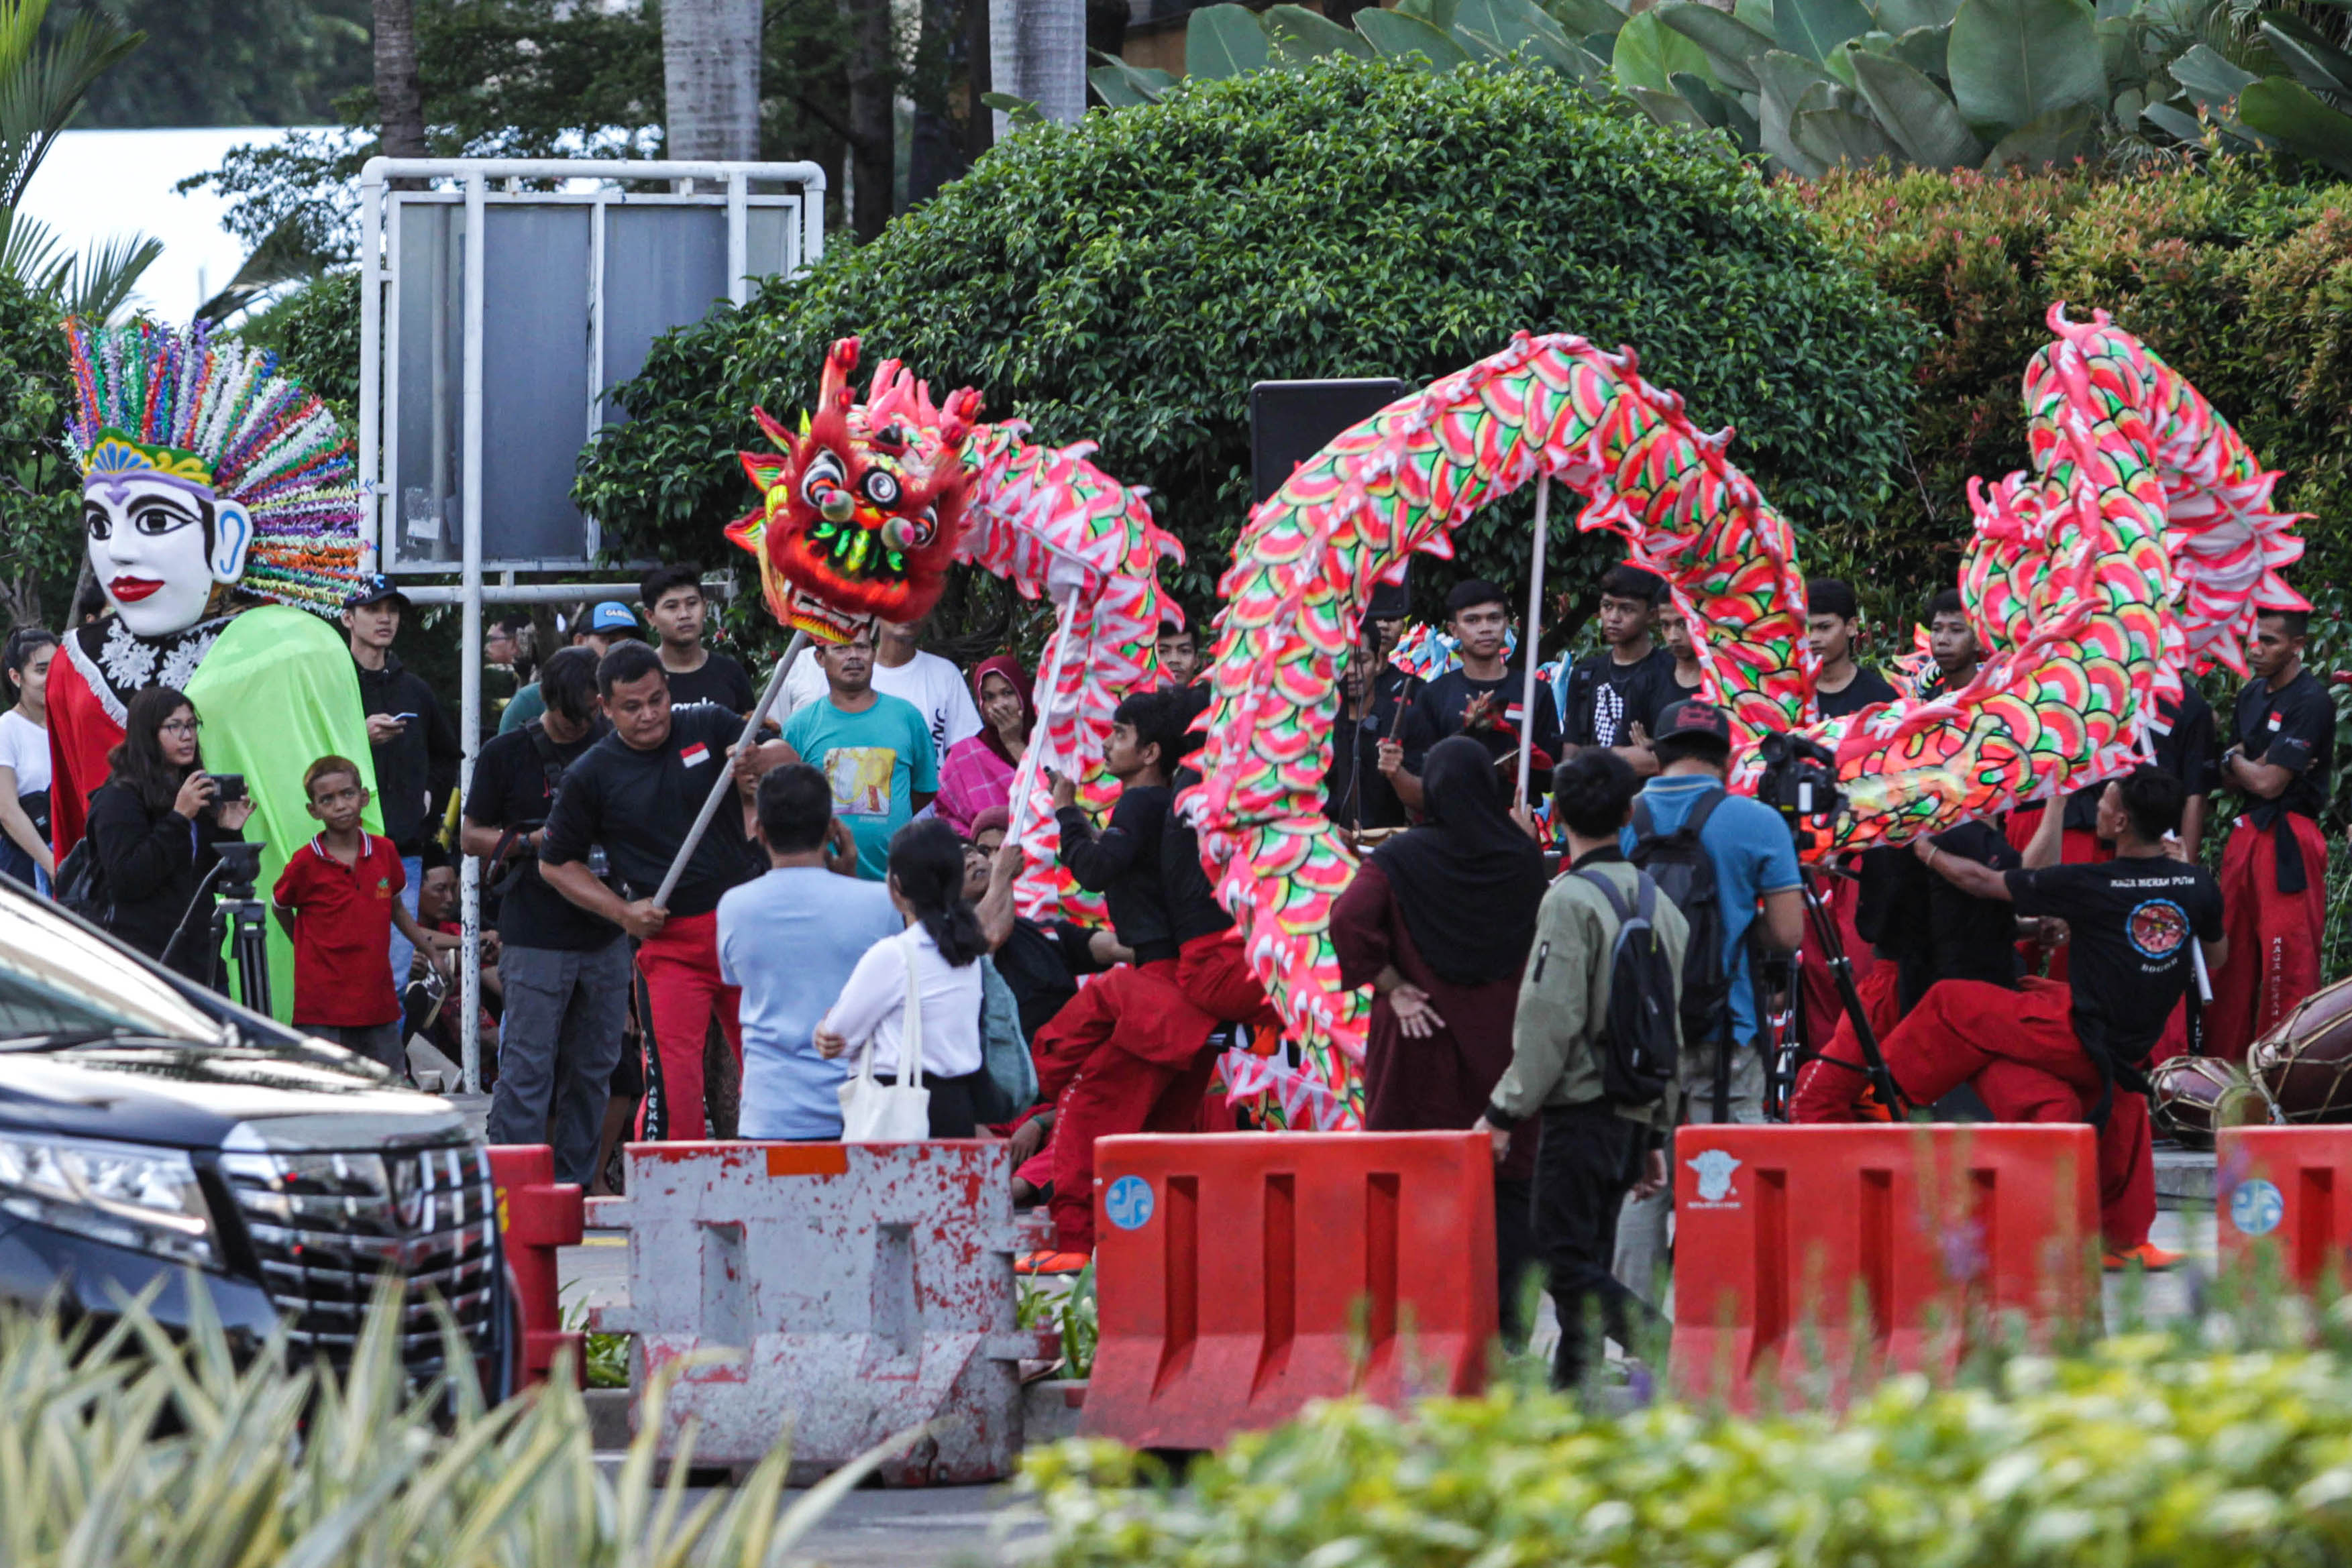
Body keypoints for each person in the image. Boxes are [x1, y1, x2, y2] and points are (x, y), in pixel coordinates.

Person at [1800, 769, 2218, 1269]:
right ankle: (2120, 1240)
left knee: (1953, 1005)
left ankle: (1882, 1104)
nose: (2096, 808)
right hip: (2116, 1041)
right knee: (2098, 1099)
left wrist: (1926, 850)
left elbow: (1988, 883)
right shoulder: (2195, 884)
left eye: (2104, 802)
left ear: (2123, 820)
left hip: (2063, 1026)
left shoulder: (2089, 881)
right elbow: (2214, 956)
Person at [1475, 749, 1687, 1388]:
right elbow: (1669, 1029)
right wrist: (1655, 1133)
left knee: (1558, 1256)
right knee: (1588, 1250)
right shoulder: (1660, 903)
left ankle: (1665, 1344)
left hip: (1580, 1111)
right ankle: (1575, 1387)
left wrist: (1505, 1110)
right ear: (1627, 814)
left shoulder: (1569, 899)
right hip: (1632, 1111)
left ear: (1558, 815)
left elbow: (1549, 1015)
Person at [1334, 734, 1550, 1337]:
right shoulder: (1521, 857)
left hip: (1419, 1047)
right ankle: (1508, 1335)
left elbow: (1347, 919)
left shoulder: (1400, 859)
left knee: (1415, 1179)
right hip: (1503, 1048)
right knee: (1508, 1191)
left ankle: (1420, 1322)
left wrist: (1392, 984)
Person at [538, 640, 789, 1139]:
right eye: (632, 707)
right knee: (674, 1087)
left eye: (657, 700)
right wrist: (622, 912)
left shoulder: (708, 723)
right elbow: (554, 863)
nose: (650, 715)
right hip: (669, 943)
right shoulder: (590, 775)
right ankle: (675, 1182)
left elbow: (789, 758)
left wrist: (759, 760)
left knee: (773, 1070)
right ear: (605, 708)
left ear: (668, 689)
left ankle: (779, 1172)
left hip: (744, 931)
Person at [1019, 691, 1221, 1272]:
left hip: (1157, 988)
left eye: (1120, 734)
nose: (1107, 743)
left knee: (1087, 1109)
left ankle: (1075, 1247)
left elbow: (1093, 869)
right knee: (1156, 1132)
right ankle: (1148, 1248)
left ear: (1151, 752)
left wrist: (1066, 812)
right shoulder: (1179, 803)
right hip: (1185, 986)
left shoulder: (1141, 802)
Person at [1611, 699, 1803, 1302]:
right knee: (1725, 1175)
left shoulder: (1621, 815)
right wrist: (1740, 929)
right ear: (1726, 758)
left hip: (1640, 1032)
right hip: (1728, 1031)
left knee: (1642, 1181)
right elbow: (1789, 933)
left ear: (1658, 752)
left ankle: (1633, 1329)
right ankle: (1725, 1319)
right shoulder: (1757, 821)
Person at [464, 647, 635, 1182]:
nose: (579, 726)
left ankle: (575, 1188)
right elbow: (469, 836)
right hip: (535, 934)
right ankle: (514, 1188)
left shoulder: (614, 744)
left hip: (605, 932)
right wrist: (530, 842)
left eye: (589, 715)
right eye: (569, 718)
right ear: (546, 700)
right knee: (527, 1068)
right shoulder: (506, 753)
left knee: (593, 1069)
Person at [725, 764, 900, 1139]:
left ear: (759, 830)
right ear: (832, 830)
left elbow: (736, 978)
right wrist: (849, 879)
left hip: (769, 1113)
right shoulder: (881, 903)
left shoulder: (733, 907)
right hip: (860, 1111)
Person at [271, 754, 454, 1071]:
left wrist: (431, 952)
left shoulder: (384, 851)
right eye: (327, 799)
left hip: (376, 1003)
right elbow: (281, 908)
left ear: (364, 797)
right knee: (326, 1089)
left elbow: (397, 910)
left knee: (387, 1085)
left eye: (348, 794)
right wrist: (305, 946)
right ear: (314, 810)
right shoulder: (305, 863)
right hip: (322, 1008)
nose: (340, 805)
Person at [814, 820, 994, 1137]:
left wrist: (823, 1027)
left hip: (897, 1109)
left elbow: (837, 1038)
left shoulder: (895, 955)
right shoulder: (969, 955)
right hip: (957, 1109)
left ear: (896, 887)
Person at [2210, 607, 2335, 1061]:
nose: (2256, 650)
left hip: (2289, 837)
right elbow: (2233, 776)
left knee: (2288, 962)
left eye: (2269, 641)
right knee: (2228, 959)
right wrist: (2242, 762)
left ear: (2298, 646)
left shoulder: (2311, 700)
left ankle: (2286, 1075)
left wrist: (2241, 761)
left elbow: (2267, 783)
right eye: (2254, 639)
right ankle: (2221, 1074)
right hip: (2247, 831)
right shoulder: (2250, 695)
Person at [83, 685, 255, 983]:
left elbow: (221, 882)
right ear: (147, 734)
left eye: (191, 725)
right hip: (143, 963)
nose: (187, 736)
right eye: (174, 726)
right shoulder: (118, 798)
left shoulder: (192, 792)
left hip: (201, 959)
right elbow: (128, 879)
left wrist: (229, 831)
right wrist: (178, 818)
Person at [343, 577, 461, 988]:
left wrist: (428, 800)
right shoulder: (332, 687)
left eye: (392, 611)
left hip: (402, 851)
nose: (385, 619)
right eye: (373, 609)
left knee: (393, 975)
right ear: (347, 618)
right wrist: (358, 738)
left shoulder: (415, 690)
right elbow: (307, 754)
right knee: (346, 968)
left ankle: (391, 1035)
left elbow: (448, 755)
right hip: (342, 851)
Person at [1381, 579, 1564, 812]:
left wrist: (1511, 755)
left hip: (1516, 822)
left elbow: (1550, 774)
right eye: (1472, 620)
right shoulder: (1433, 695)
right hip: (1454, 821)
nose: (1485, 628)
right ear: (1454, 629)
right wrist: (1469, 734)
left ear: (1506, 624)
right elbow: (1424, 775)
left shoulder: (1535, 691)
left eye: (1494, 618)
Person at [782, 625, 939, 879]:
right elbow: (787, 802)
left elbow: (924, 788)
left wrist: (890, 818)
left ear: (873, 654)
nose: (853, 656)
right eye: (841, 648)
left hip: (896, 881)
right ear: (820, 658)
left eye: (862, 647)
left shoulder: (907, 716)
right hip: (824, 879)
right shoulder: (799, 726)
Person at [785, 616, 980, 757]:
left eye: (916, 606)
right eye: (897, 606)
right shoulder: (841, 678)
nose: (906, 614)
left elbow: (965, 756)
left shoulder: (944, 675)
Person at [1559, 565, 1678, 772]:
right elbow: (1572, 748)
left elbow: (1675, 758)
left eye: (1627, 609)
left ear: (1652, 615)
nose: (1613, 617)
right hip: (1591, 788)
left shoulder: (1671, 673)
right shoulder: (1586, 673)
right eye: (1607, 606)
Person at [502, 602, 640, 734]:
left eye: (629, 644)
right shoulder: (531, 700)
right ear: (579, 641)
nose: (619, 651)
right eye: (610, 641)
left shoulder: (642, 699)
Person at [935, 655, 1033, 837]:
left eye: (1007, 693)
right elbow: (946, 817)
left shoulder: (1050, 741)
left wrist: (1013, 743)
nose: (999, 705)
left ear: (1023, 692)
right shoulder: (965, 756)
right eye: (989, 697)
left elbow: (1057, 795)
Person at [641, 563, 755, 717]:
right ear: (650, 617)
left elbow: (751, 727)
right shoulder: (640, 677)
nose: (684, 614)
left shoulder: (731, 673)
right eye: (672, 607)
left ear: (705, 606)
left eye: (692, 603)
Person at [1326, 630, 1409, 832]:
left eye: (1362, 661)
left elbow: (1425, 799)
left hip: (1389, 842)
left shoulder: (1406, 719)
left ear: (1378, 663)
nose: (1351, 670)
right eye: (1341, 661)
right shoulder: (1312, 723)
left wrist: (1398, 774)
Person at [0, 628, 57, 889]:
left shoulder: (69, 724)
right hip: (25, 866)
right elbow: (7, 811)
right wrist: (52, 865)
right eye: (42, 670)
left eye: (57, 668)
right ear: (16, 677)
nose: (52, 678)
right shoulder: (7, 729)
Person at [1806, 578, 1896, 718]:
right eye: (1807, 629)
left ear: (1851, 627)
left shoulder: (1881, 698)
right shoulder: (1790, 698)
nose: (1813, 638)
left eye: (1824, 627)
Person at [1922, 588, 1980, 696]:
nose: (1942, 640)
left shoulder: (2002, 700)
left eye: (1956, 630)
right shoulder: (1924, 703)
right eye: (1937, 629)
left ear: (1979, 640)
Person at [1657, 604, 1704, 698]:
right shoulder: (1650, 675)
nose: (1673, 637)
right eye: (1665, 625)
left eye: (1684, 624)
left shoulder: (1729, 681)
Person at [1155, 618, 1202, 688]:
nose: (1174, 659)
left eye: (1184, 651)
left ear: (1196, 661)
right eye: (1162, 651)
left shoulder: (1213, 695)